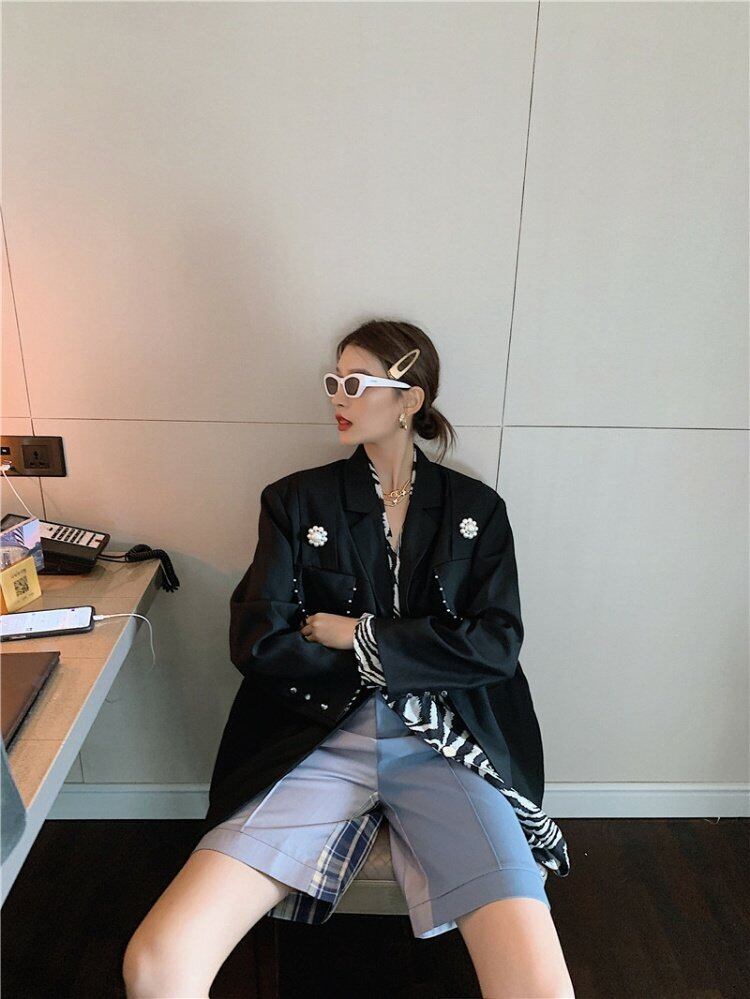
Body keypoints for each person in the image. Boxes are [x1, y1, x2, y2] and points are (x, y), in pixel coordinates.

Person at [123, 319, 575, 998]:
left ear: (410, 399)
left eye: (357, 383)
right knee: (156, 963)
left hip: (446, 742)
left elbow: (496, 647)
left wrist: (358, 635)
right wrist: (422, 646)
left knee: (540, 982)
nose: (338, 395)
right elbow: (260, 639)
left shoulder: (477, 509)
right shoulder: (294, 501)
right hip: (320, 737)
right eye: (334, 381)